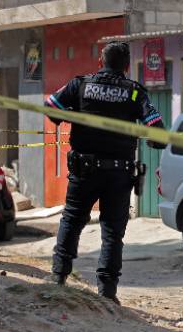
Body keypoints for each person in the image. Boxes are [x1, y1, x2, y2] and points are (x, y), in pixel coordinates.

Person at [44, 41, 166, 304]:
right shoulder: (135, 93)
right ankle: (107, 293)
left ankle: (58, 277)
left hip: (83, 171)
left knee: (72, 219)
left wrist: (74, 115)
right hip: (118, 176)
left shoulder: (81, 85)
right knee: (112, 232)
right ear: (125, 66)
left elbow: (51, 107)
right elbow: (157, 129)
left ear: (100, 62)